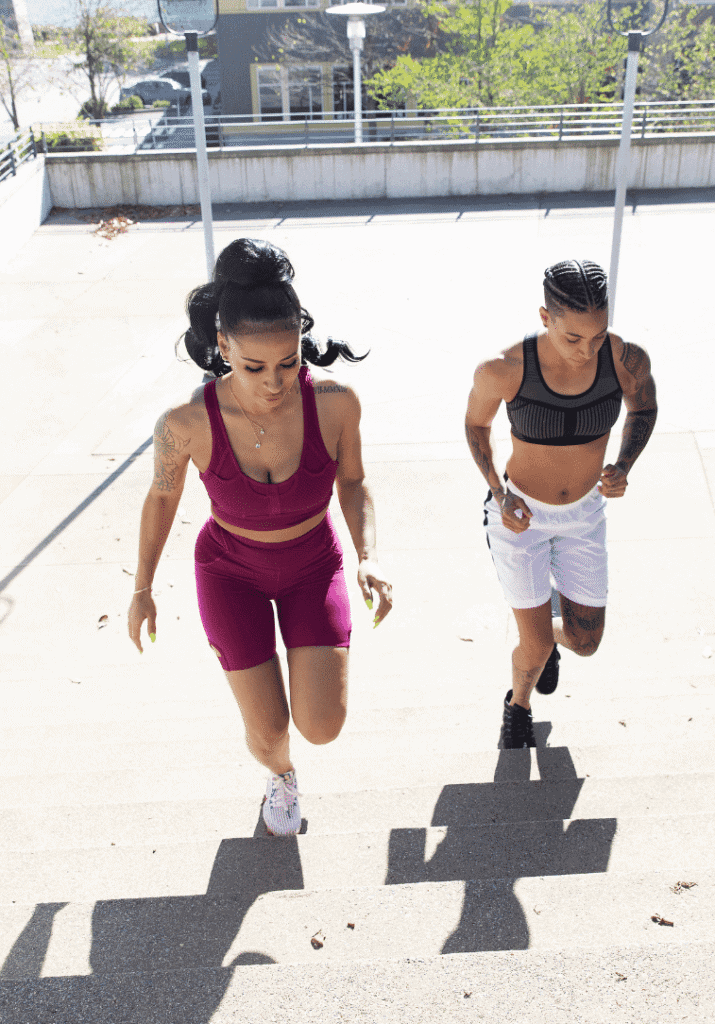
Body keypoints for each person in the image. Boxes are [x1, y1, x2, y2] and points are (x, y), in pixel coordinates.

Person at [127, 238, 392, 833]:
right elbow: (161, 499)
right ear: (223, 347)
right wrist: (142, 588)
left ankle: (292, 752)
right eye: (254, 367)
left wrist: (368, 555)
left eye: (289, 362)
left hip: (313, 565)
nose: (275, 382)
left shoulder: (336, 404)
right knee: (269, 729)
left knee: (322, 725)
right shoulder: (184, 424)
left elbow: (353, 483)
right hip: (230, 572)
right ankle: (280, 775)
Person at [465, 259, 657, 748]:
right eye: (573, 338)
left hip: (585, 515)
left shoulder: (625, 360)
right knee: (532, 646)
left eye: (598, 336)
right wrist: (499, 493)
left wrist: (624, 465)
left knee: (587, 642)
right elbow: (476, 426)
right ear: (545, 318)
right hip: (520, 517)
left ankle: (550, 633)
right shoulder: (504, 367)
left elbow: (644, 407)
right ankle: (518, 707)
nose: (586, 350)